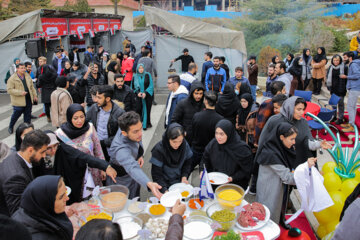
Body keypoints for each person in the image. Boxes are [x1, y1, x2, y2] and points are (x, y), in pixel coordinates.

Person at [256, 122, 317, 224]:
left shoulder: (278, 148)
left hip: (276, 188)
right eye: (291, 139)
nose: (294, 142)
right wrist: (306, 167)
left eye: (294, 139)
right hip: (270, 192)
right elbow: (288, 178)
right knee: (267, 219)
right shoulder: (271, 155)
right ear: (281, 137)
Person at [258, 96, 331, 169]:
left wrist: (319, 144)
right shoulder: (275, 120)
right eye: (299, 109)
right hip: (277, 163)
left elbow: (307, 142)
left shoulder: (303, 122)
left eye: (303, 109)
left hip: (296, 162)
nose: (302, 112)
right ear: (290, 107)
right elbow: (263, 141)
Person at [42, 131, 116, 203]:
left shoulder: (62, 149)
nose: (53, 150)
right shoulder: (38, 156)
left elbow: (83, 157)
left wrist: (105, 166)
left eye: (55, 145)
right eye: (49, 148)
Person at [108, 111, 163, 199]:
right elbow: (132, 167)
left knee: (136, 195)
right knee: (128, 201)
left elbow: (137, 138)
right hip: (123, 179)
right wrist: (149, 183)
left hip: (135, 175)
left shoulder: (129, 127)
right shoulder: (121, 150)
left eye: (140, 128)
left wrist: (140, 155)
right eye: (136, 131)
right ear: (124, 133)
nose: (140, 134)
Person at [0, 130, 50, 216]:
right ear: (30, 150)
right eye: (42, 152)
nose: (44, 156)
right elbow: (18, 212)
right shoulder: (16, 177)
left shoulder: (15, 156)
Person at [56, 104, 106, 188]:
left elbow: (98, 148)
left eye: (82, 117)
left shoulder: (89, 127)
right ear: (69, 118)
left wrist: (102, 167)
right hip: (74, 173)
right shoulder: (61, 134)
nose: (80, 121)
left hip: (93, 170)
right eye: (75, 118)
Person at [12, 175, 73, 240]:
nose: (67, 198)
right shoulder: (40, 236)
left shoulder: (31, 211)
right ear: (46, 202)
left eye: (65, 192)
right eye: (61, 197)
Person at [201, 119, 253, 189]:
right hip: (214, 183)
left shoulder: (242, 149)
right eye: (216, 133)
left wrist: (233, 178)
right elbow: (205, 159)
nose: (218, 137)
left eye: (221, 134)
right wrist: (202, 170)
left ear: (229, 133)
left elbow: (247, 169)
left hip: (233, 185)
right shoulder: (213, 144)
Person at [150, 123, 193, 193]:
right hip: (164, 183)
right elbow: (156, 174)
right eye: (174, 142)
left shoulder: (184, 145)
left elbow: (188, 162)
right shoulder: (159, 150)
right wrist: (164, 190)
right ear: (168, 138)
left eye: (180, 141)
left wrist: (184, 176)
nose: (177, 145)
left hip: (179, 183)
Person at [86, 85, 125, 161]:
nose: (96, 100)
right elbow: (84, 120)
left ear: (107, 99)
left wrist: (102, 143)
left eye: (99, 98)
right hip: (98, 150)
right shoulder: (94, 108)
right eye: (96, 97)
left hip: (112, 152)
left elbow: (121, 136)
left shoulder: (120, 113)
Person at [191, 91, 223, 172]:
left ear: (205, 101)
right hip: (211, 152)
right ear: (216, 102)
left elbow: (193, 132)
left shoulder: (196, 116)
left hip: (196, 149)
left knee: (187, 170)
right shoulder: (220, 119)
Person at [7, 63, 38, 134]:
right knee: (16, 115)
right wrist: (20, 92)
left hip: (28, 98)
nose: (23, 69)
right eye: (21, 68)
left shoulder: (27, 76)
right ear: (17, 69)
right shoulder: (12, 79)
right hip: (18, 100)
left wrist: (35, 95)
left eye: (24, 68)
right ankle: (11, 126)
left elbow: (31, 87)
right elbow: (9, 90)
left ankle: (27, 129)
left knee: (27, 115)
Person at [171, 81, 205, 145]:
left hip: (200, 140)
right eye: (196, 93)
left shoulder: (205, 104)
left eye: (201, 94)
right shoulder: (182, 104)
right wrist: (182, 131)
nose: (199, 96)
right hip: (186, 139)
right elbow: (174, 121)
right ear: (192, 93)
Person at [326, 54, 348, 125]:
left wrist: (344, 88)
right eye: (334, 60)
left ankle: (341, 118)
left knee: (340, 104)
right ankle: (334, 116)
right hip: (333, 89)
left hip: (341, 89)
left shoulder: (344, 67)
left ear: (340, 60)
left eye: (337, 60)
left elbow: (347, 78)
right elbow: (327, 77)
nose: (336, 62)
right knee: (333, 104)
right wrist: (329, 87)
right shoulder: (330, 67)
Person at [342, 51, 360, 132]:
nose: (344, 59)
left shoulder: (354, 64)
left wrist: (346, 76)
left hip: (355, 87)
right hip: (354, 87)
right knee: (352, 106)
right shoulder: (354, 63)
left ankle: (351, 125)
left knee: (350, 106)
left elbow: (357, 75)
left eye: (345, 57)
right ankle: (350, 123)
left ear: (350, 57)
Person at [132, 64, 154, 130]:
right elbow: (132, 87)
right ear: (137, 69)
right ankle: (139, 123)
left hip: (147, 96)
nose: (141, 69)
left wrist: (145, 92)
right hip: (138, 96)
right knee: (139, 109)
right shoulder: (135, 76)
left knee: (147, 109)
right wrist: (137, 92)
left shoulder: (147, 75)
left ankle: (147, 123)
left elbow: (151, 85)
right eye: (139, 68)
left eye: (142, 68)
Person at [36, 56, 58, 122]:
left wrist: (39, 84)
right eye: (39, 61)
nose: (40, 63)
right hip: (47, 89)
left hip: (49, 88)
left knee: (51, 105)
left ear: (45, 61)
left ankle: (52, 116)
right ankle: (49, 117)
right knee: (48, 105)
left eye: (41, 61)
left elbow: (39, 82)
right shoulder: (39, 69)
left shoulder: (49, 69)